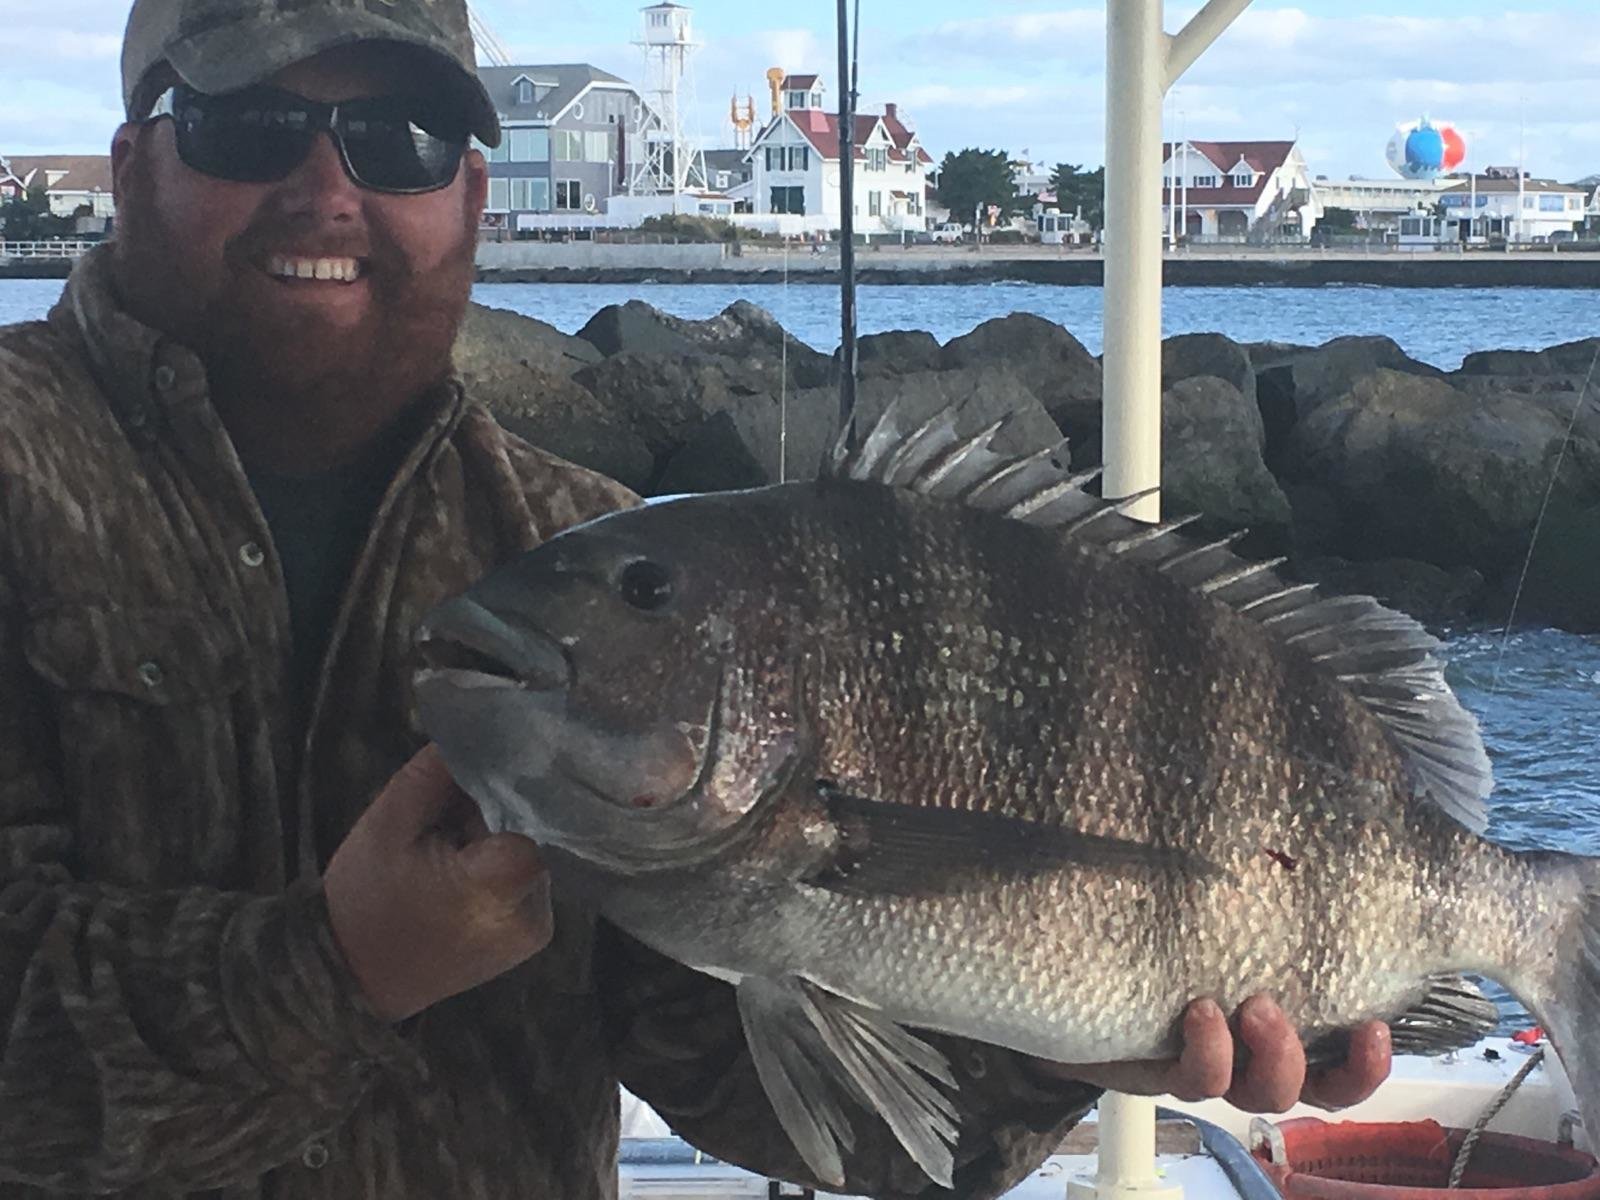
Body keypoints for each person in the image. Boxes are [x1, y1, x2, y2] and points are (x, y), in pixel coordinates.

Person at [0, 1, 1392, 1195]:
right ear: (130, 167)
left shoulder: (576, 550)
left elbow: (813, 1119)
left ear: (473, 199)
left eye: (398, 141)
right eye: (245, 127)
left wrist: (1054, 1040)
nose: (326, 189)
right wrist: (339, 965)